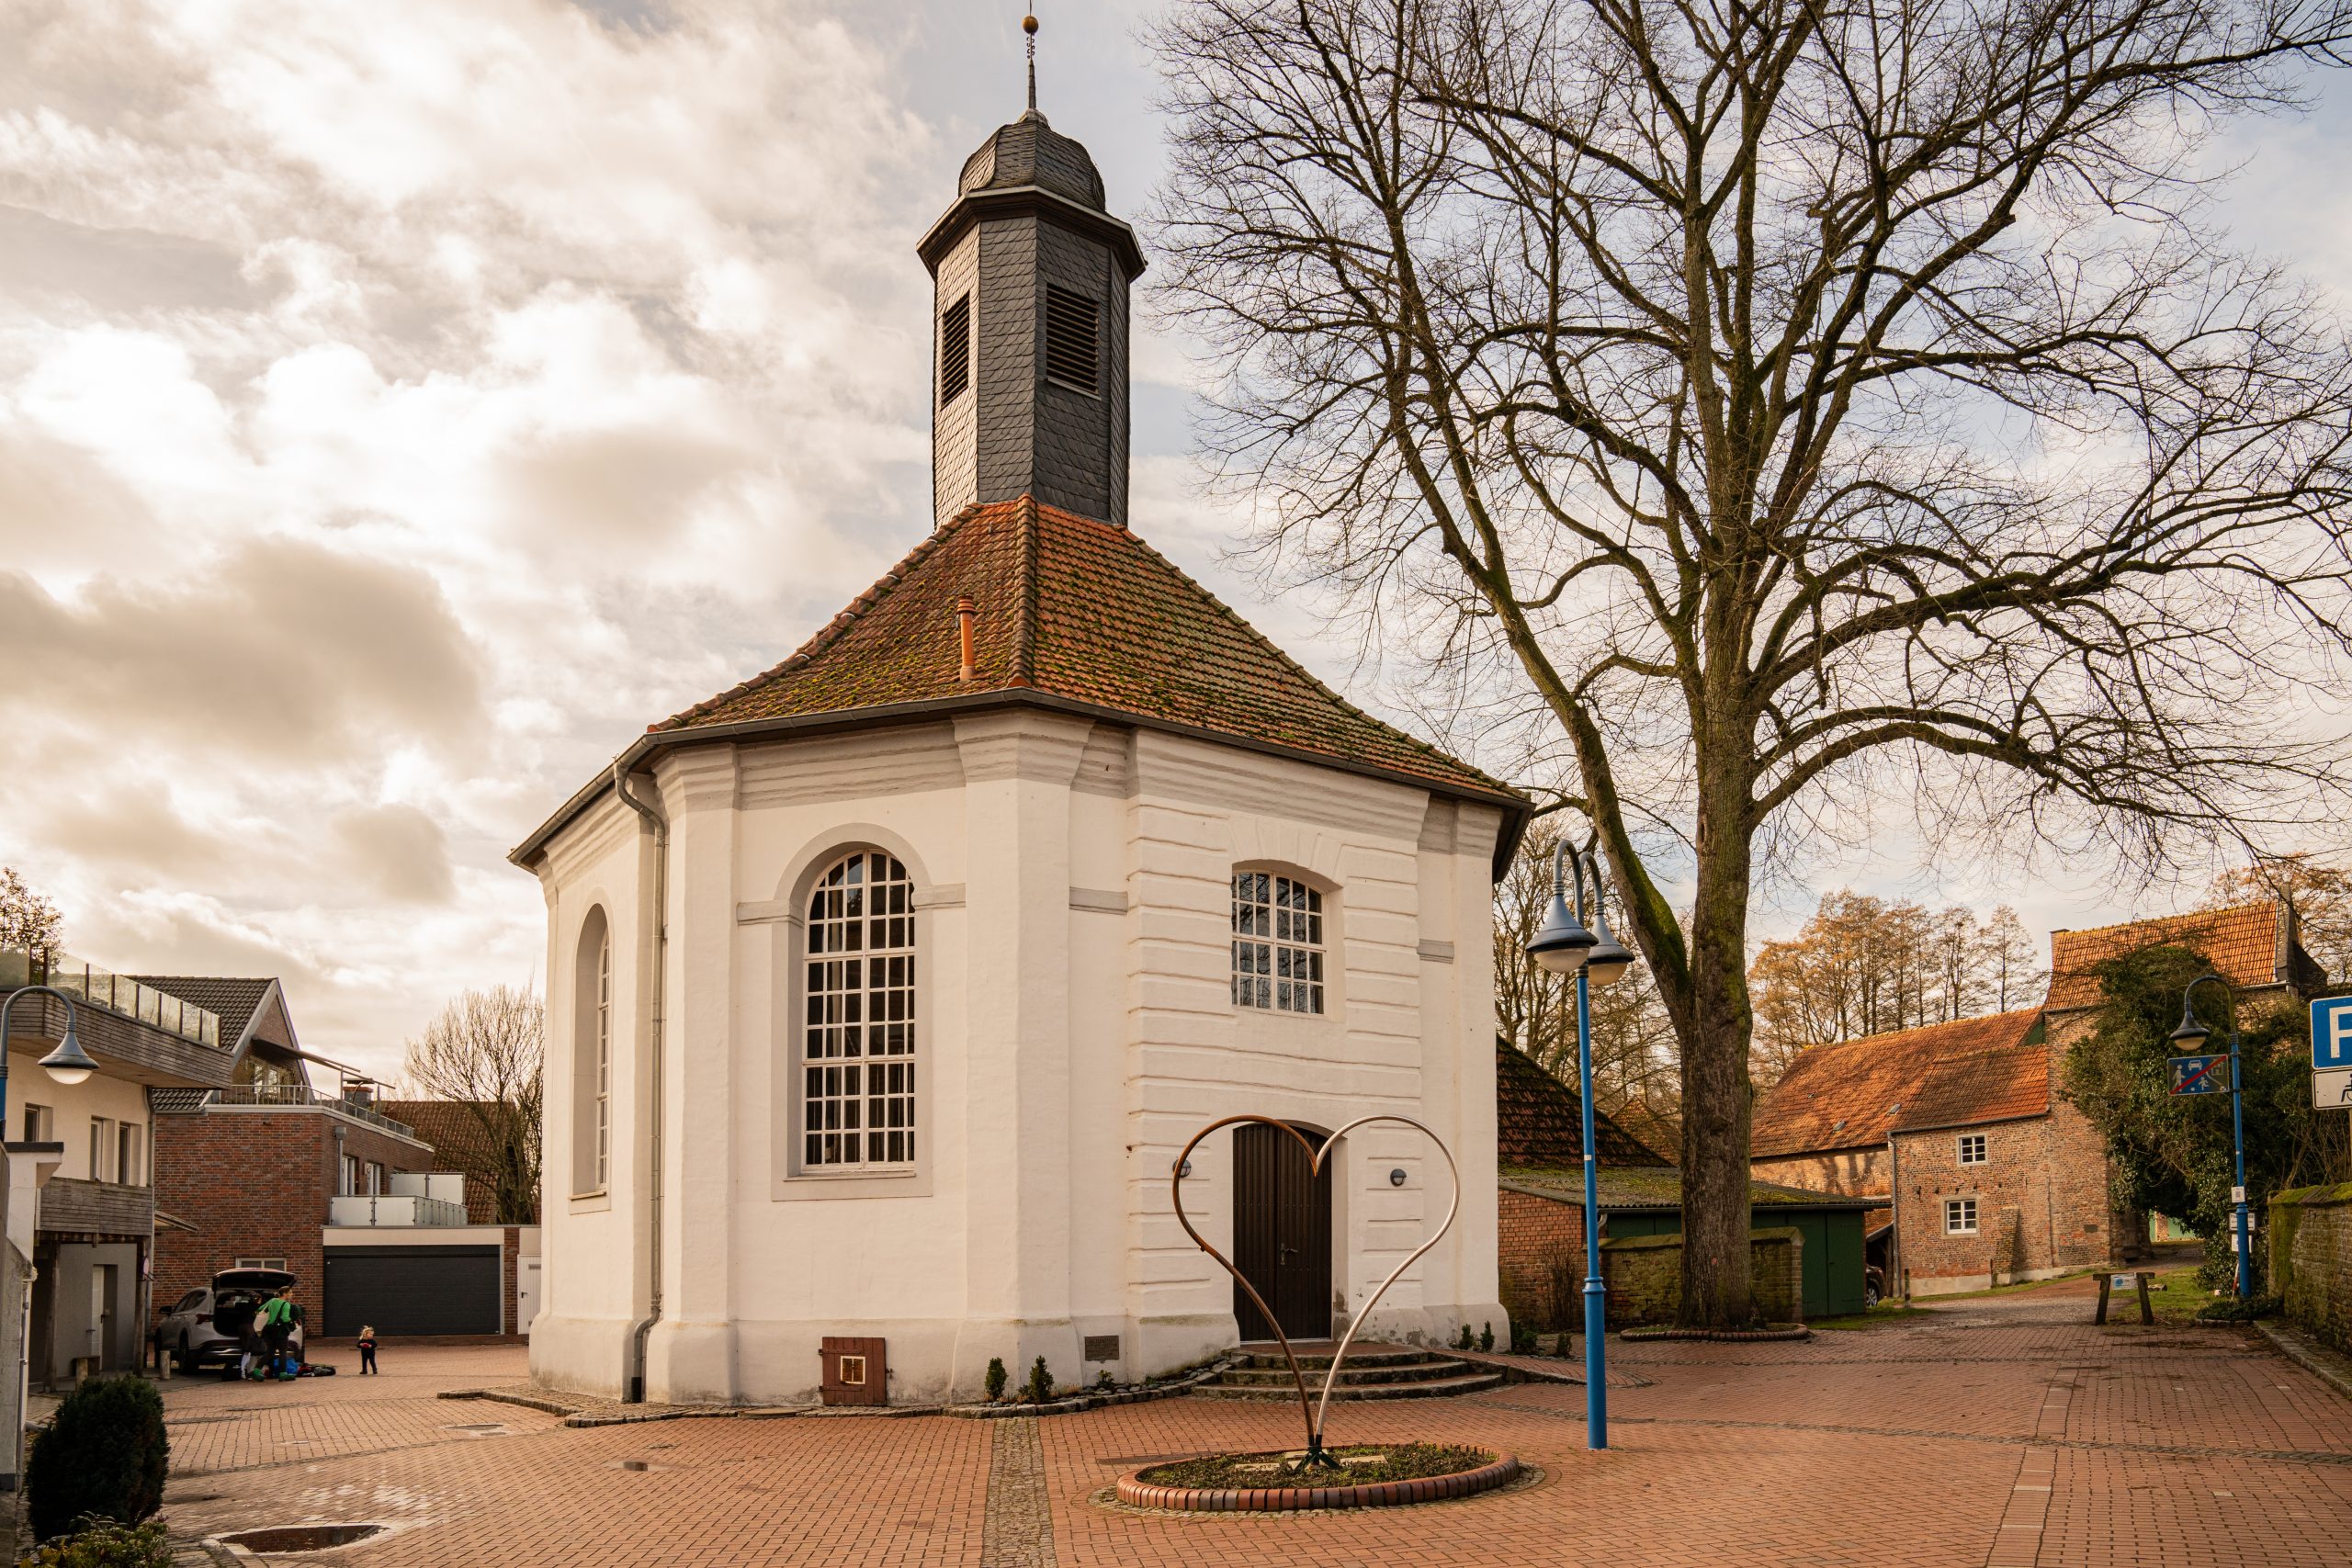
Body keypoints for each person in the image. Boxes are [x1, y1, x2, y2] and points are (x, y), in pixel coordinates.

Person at [260, 1285, 297, 1381]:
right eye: (290, 1293)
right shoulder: (286, 1304)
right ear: (284, 1294)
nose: (292, 1294)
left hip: (268, 1330)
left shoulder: (272, 1300)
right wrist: (292, 1321)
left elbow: (261, 1309)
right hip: (280, 1332)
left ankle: (255, 1371)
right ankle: (283, 1374)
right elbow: (284, 1318)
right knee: (283, 1352)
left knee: (269, 1352)